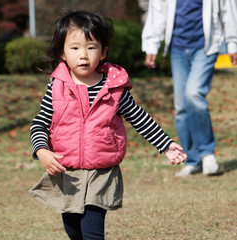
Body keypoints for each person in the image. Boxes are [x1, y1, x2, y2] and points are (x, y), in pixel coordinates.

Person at [29, 10, 187, 239]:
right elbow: (39, 124)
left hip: (101, 171)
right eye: (75, 48)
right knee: (74, 230)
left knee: (92, 232)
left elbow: (140, 118)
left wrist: (166, 145)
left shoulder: (114, 88)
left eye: (91, 47)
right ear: (62, 53)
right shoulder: (56, 88)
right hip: (68, 172)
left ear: (103, 52)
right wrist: (42, 151)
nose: (83, 55)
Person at [142, 0, 237, 177]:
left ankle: (207, 154)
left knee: (194, 94)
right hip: (177, 48)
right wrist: (151, 45)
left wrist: (233, 42)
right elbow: (157, 11)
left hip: (206, 46)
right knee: (182, 107)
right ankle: (193, 160)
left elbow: (228, 9)